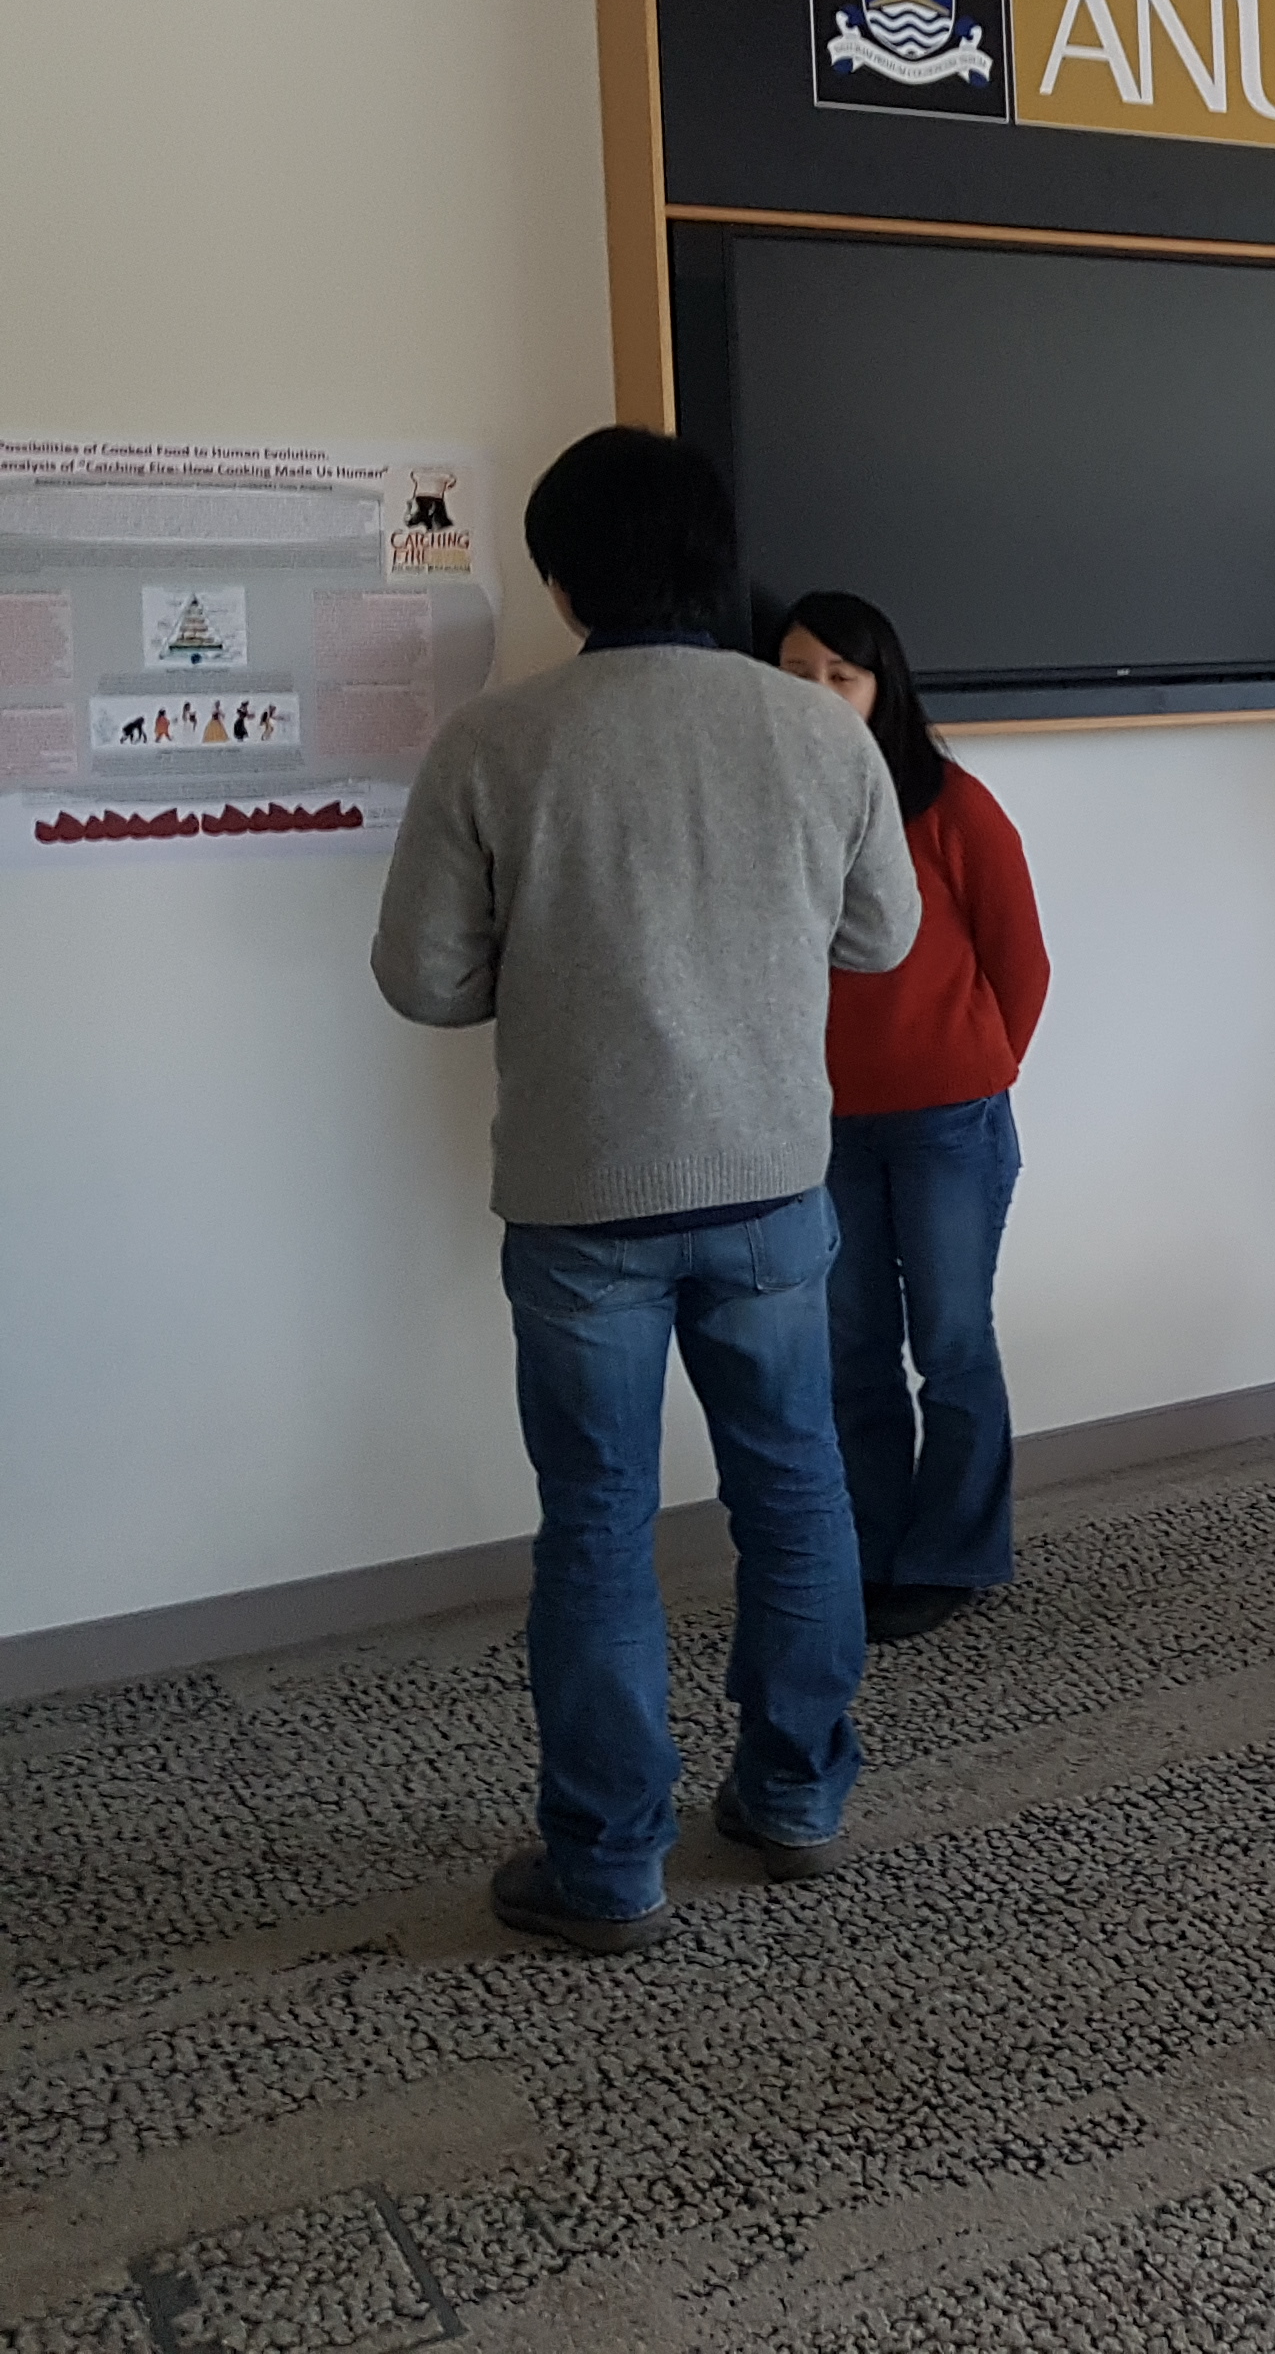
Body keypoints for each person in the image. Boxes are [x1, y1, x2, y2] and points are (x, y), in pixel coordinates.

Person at [372, 428, 917, 1952]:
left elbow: (423, 981)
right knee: (795, 1491)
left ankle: (608, 1865)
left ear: (562, 582)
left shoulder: (495, 740)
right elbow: (880, 939)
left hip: (583, 1200)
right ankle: (795, 1798)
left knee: (599, 1526)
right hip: (771, 1187)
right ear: (718, 566)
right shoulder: (820, 733)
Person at [777, 591, 1050, 1634]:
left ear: (880, 688)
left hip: (948, 1124)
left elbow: (1022, 962)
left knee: (951, 1343)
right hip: (824, 1126)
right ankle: (873, 1550)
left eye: (840, 677)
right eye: (796, 675)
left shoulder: (954, 806)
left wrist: (976, 1068)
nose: (817, 695)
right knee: (851, 1351)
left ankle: (954, 1557)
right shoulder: (767, 807)